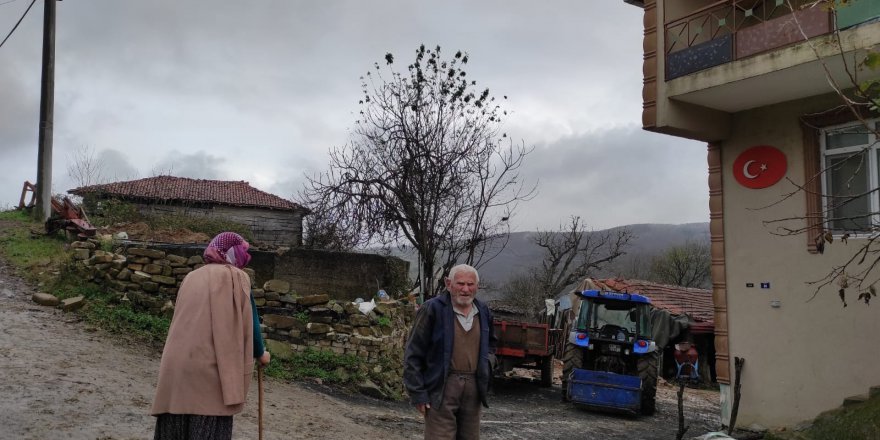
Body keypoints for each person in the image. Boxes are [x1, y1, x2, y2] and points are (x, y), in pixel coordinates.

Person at [151, 232, 271, 440]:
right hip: (210, 372)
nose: (246, 257)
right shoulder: (237, 278)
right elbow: (250, 323)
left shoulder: (191, 277)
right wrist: (261, 354)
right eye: (243, 252)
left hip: (175, 369)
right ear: (233, 253)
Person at [403, 264, 497, 440]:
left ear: (477, 286)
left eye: (470, 284)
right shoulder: (432, 309)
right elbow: (413, 353)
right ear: (448, 284)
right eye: (460, 283)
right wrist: (418, 393)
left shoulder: (483, 311)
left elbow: (491, 344)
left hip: (473, 389)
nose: (465, 289)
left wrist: (488, 365)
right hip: (441, 387)